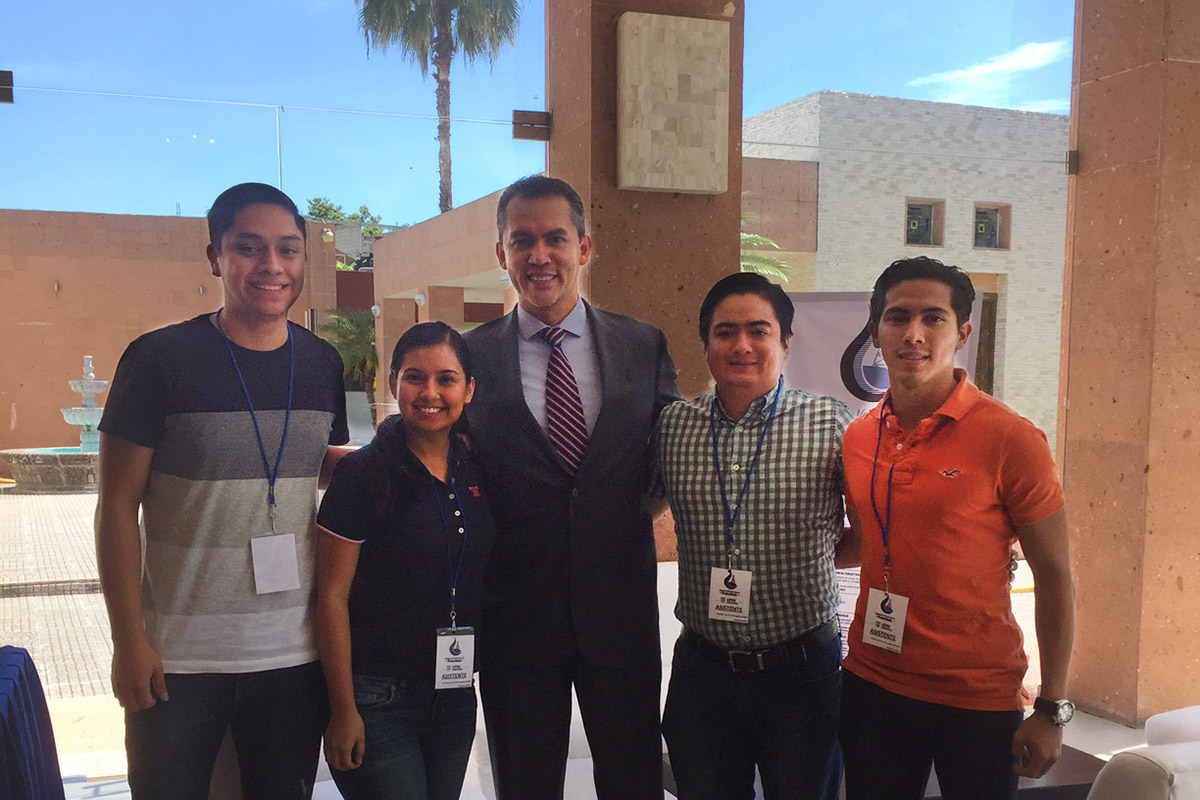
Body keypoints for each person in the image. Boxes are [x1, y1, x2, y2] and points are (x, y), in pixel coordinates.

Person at [95, 182, 350, 799]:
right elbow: (115, 507)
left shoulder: (321, 363)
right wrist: (128, 641)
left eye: (288, 250)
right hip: (176, 659)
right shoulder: (159, 359)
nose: (272, 266)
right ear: (215, 256)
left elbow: (324, 468)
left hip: (292, 655)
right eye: (249, 248)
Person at [462, 174, 679, 800]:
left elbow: (667, 457)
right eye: (521, 241)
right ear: (500, 255)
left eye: (555, 238)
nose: (539, 255)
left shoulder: (642, 345)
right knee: (525, 784)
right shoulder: (467, 357)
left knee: (633, 780)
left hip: (621, 612)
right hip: (514, 619)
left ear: (584, 247)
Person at [838, 256, 1075, 800]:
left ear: (962, 331)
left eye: (934, 318)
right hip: (872, 683)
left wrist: (1053, 707)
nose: (913, 334)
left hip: (978, 696)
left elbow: (1056, 575)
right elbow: (865, 540)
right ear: (875, 331)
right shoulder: (858, 436)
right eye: (897, 318)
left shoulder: (1011, 439)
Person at [655, 272, 854, 800]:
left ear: (785, 342)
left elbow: (871, 531)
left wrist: (811, 556)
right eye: (725, 332)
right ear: (705, 344)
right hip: (703, 674)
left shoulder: (830, 422)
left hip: (801, 675)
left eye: (758, 331)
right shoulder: (674, 426)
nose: (741, 345)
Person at [315, 322, 495, 800]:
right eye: (414, 377)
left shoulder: (476, 467)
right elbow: (330, 596)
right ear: (393, 383)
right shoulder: (361, 475)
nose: (430, 392)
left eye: (446, 379)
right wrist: (342, 708)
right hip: (377, 698)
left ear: (469, 389)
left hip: (454, 695)